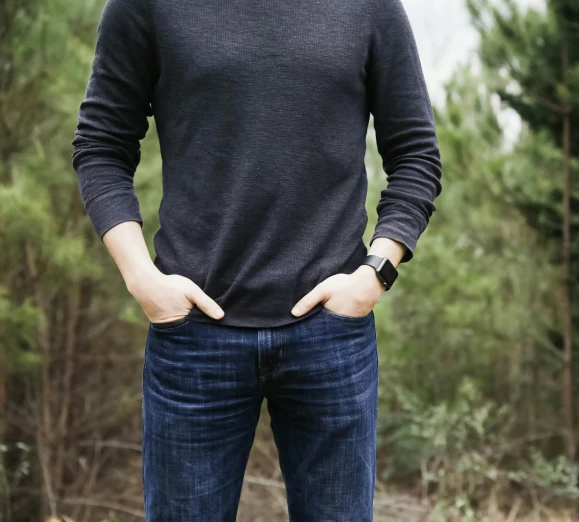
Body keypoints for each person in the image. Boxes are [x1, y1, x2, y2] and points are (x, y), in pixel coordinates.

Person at [71, 0, 442, 520]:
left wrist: (375, 273)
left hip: (331, 339)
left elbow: (416, 156)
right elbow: (101, 146)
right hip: (193, 337)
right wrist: (142, 280)